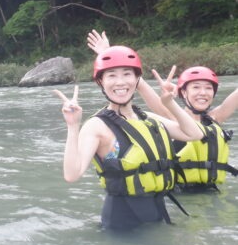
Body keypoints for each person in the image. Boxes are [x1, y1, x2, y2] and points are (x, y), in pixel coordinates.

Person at [54, 45, 204, 231]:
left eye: (127, 74)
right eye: (111, 76)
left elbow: (195, 134)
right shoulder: (96, 125)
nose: (120, 82)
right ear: (100, 82)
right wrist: (72, 125)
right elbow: (72, 174)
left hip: (156, 214)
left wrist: (170, 103)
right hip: (121, 223)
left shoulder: (148, 118)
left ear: (137, 79)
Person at [87, 30, 238, 192]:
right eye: (196, 87)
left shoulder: (215, 118)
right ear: (183, 92)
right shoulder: (171, 118)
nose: (203, 93)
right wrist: (108, 55)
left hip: (213, 191)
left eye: (208, 88)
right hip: (181, 194)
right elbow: (139, 85)